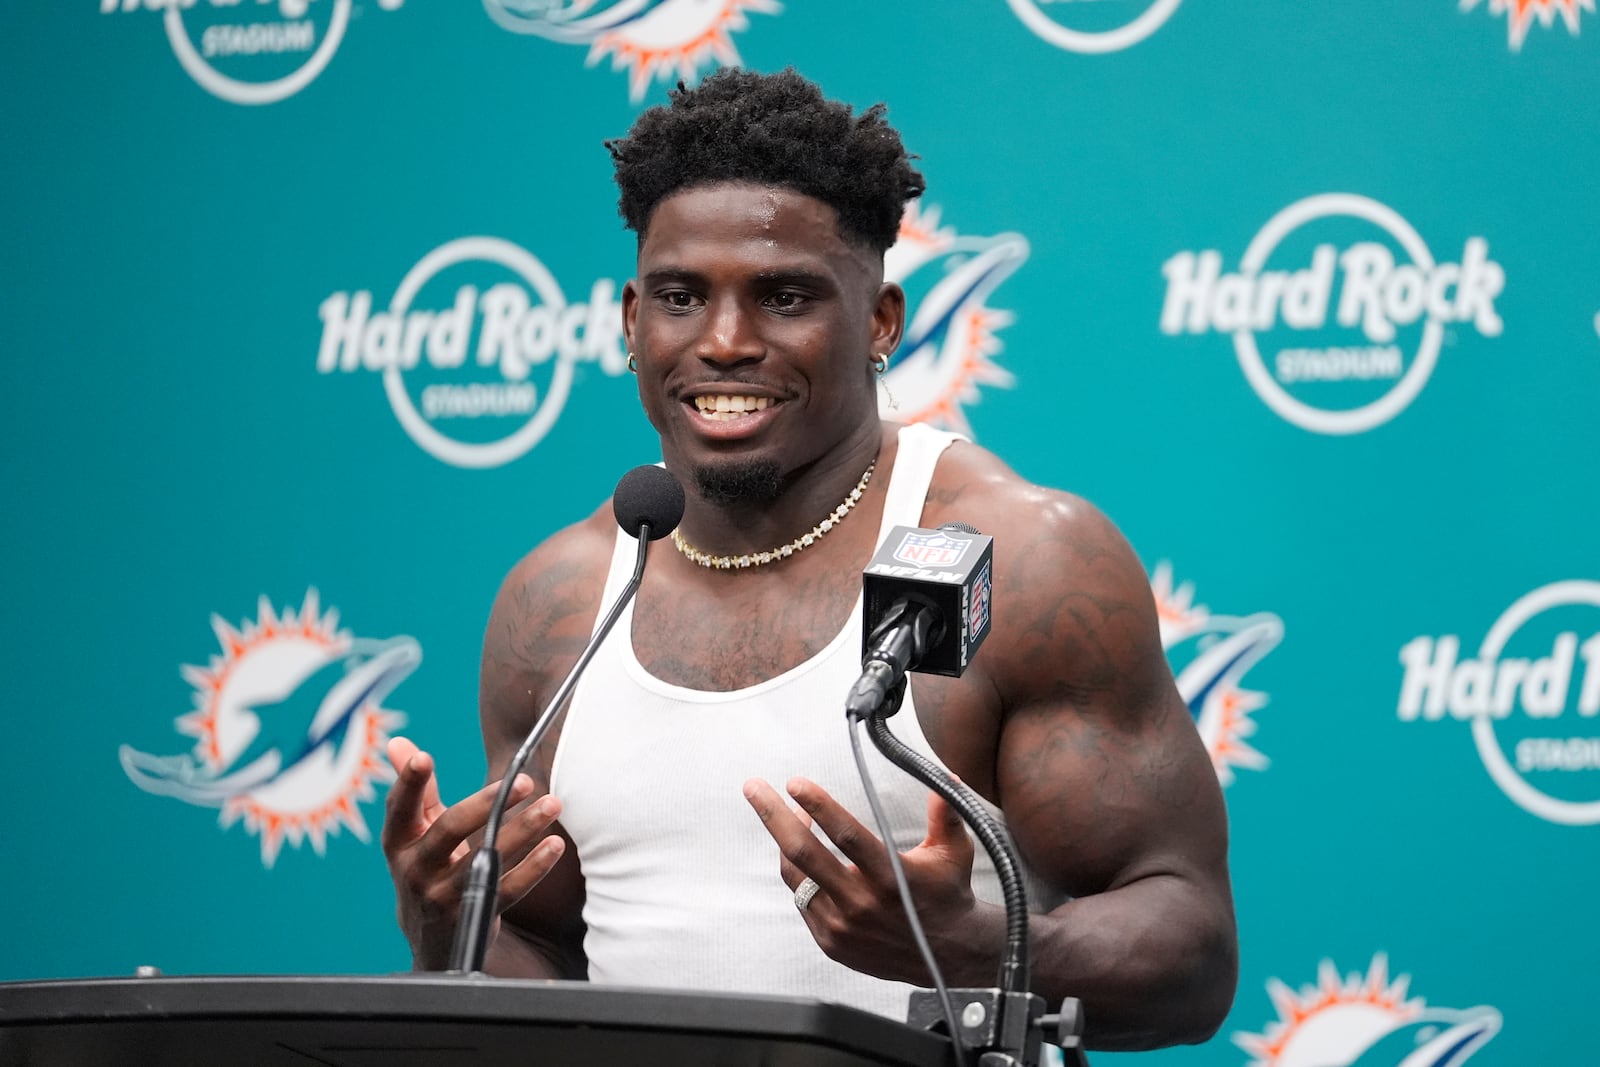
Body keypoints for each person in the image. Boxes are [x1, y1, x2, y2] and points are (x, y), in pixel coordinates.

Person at [381, 67, 1236, 1052]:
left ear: (880, 321)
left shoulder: (1019, 558)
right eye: (681, 296)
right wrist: (450, 925)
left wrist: (973, 949)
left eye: (783, 296)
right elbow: (547, 959)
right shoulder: (562, 600)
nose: (726, 341)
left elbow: (1192, 952)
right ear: (629, 321)